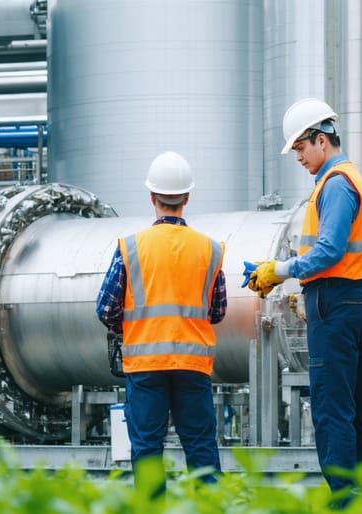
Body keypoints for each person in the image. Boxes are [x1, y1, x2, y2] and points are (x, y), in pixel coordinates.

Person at [244, 98, 362, 495]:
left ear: (320, 140)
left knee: (332, 410)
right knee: (358, 410)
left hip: (337, 304)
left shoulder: (336, 185)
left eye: (300, 148)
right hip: (354, 300)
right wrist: (276, 273)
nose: (298, 157)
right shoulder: (344, 180)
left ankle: (345, 500)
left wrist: (279, 270)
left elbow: (328, 251)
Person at [95, 150, 227, 497]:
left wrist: (131, 326)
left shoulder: (131, 247)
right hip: (193, 364)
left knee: (148, 450)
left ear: (152, 196)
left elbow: (105, 308)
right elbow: (218, 310)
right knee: (200, 448)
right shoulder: (209, 249)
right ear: (187, 197)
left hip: (145, 365)